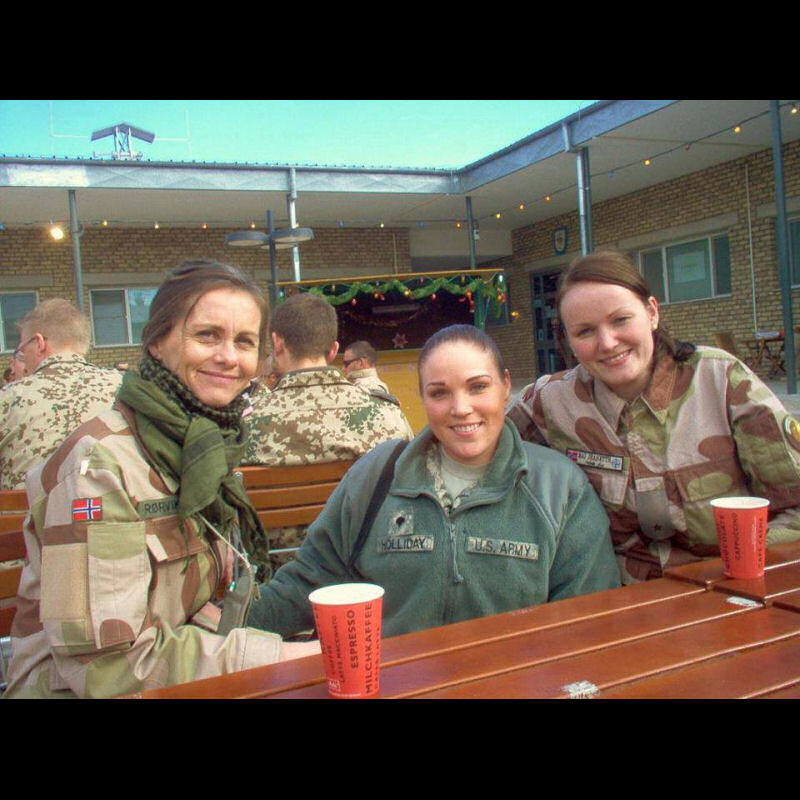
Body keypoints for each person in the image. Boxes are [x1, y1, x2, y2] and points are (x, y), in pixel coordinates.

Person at [5, 260, 318, 699]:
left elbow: (187, 606)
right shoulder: (99, 467)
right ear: (156, 342)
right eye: (207, 335)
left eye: (244, 342)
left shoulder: (202, 446)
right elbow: (108, 668)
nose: (229, 357)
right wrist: (285, 658)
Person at [246, 324, 620, 640]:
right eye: (439, 393)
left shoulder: (560, 488)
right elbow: (308, 582)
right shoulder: (377, 475)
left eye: (478, 387)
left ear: (506, 387)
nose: (461, 408)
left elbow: (588, 621)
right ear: (422, 398)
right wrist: (231, 623)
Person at [507, 249, 800, 584]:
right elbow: (478, 448)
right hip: (614, 598)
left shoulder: (720, 380)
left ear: (651, 313)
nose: (607, 343)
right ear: (569, 341)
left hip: (728, 589)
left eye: (620, 320)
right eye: (585, 331)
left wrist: (739, 565)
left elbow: (795, 503)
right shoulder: (551, 401)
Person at [242, 294, 415, 577]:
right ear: (333, 350)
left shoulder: (245, 423)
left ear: (277, 343)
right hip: (366, 577)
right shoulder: (386, 415)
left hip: (279, 579)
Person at [0, 299, 123, 491]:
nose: (24, 362)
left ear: (39, 343)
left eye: (23, 351)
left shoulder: (8, 398)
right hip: (114, 507)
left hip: (30, 510)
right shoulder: (124, 387)